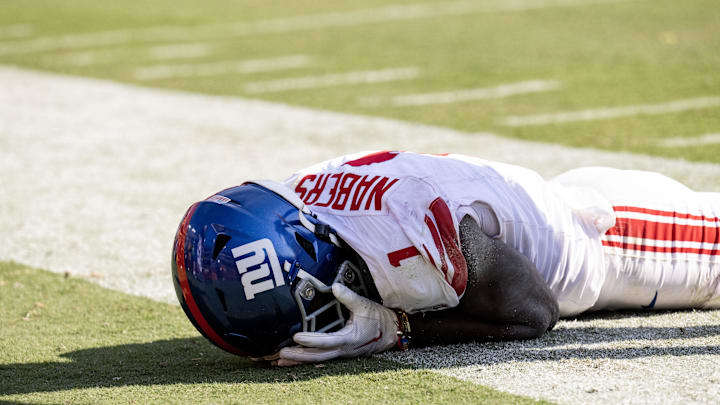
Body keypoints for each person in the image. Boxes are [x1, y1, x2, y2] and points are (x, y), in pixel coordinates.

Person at [171, 151, 720, 366]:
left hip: (616, 241)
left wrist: (399, 328)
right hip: (545, 205)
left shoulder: (402, 231)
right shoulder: (296, 205)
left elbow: (532, 310)